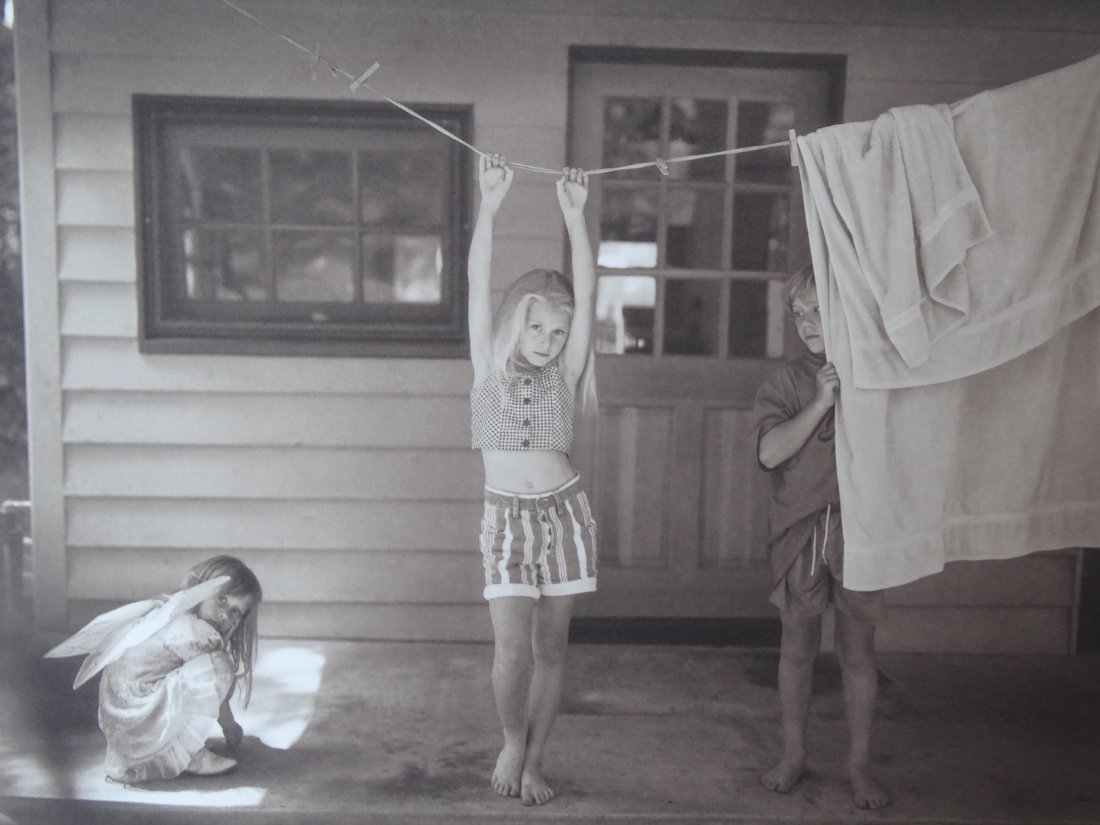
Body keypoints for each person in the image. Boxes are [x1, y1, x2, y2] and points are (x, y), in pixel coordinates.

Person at [468, 153, 598, 806]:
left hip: (564, 515)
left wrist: (575, 219)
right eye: (539, 325)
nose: (549, 339)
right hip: (506, 521)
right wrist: (490, 206)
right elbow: (476, 282)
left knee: (552, 649)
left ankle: (537, 757)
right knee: (510, 653)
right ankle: (511, 737)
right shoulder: (485, 369)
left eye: (560, 329)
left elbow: (590, 292)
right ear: (516, 319)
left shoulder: (564, 375)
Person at [753, 265, 891, 810]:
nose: (808, 322)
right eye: (799, 313)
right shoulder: (785, 383)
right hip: (801, 529)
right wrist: (819, 402)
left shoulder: (874, 372)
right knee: (798, 647)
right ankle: (794, 755)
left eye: (819, 309)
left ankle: (859, 765)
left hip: (858, 531)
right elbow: (769, 453)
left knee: (858, 654)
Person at [95, 555, 263, 783]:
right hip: (139, 716)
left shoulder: (169, 611)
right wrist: (229, 726)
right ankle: (189, 755)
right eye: (221, 599)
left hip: (123, 722)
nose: (225, 615)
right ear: (200, 589)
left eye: (236, 612)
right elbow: (215, 696)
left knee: (204, 668)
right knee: (219, 667)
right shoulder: (193, 631)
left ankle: (171, 747)